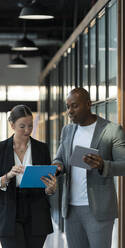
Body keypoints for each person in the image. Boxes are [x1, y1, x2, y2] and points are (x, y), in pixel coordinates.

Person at [53, 87, 125, 248]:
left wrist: (102, 165)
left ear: (88, 104)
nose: (70, 111)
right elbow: (59, 159)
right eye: (68, 106)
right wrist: (57, 167)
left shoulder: (112, 130)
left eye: (75, 106)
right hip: (71, 209)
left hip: (98, 210)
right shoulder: (67, 130)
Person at [0, 105, 56, 248]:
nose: (27, 130)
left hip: (37, 210)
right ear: (12, 125)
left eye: (30, 126)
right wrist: (8, 176)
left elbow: (47, 185)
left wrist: (50, 188)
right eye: (22, 126)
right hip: (9, 211)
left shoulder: (42, 148)